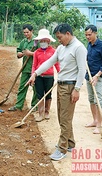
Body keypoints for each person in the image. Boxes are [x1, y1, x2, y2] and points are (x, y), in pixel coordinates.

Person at [26, 23, 87, 161]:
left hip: (70, 87)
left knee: (65, 118)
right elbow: (49, 63)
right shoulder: (61, 48)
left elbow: (82, 70)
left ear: (68, 34)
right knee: (62, 116)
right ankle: (70, 143)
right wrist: (35, 73)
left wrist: (77, 89)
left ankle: (62, 148)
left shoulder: (79, 48)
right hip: (60, 85)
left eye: (60, 37)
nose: (59, 40)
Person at [84, 24, 102, 134]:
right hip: (89, 75)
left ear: (95, 33)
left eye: (89, 35)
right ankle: (95, 120)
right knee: (91, 99)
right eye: (86, 35)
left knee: (98, 99)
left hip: (98, 76)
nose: (87, 37)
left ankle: (99, 125)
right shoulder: (89, 45)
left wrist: (97, 75)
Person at [32, 29, 60, 122]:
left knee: (48, 95)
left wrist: (60, 73)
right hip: (39, 76)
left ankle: (47, 112)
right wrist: (33, 75)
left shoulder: (53, 51)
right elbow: (34, 65)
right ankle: (40, 113)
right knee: (40, 95)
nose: (43, 42)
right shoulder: (37, 52)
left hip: (49, 77)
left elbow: (56, 64)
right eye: (41, 41)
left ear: (48, 41)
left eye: (45, 41)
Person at [8, 24, 38, 111]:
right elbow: (18, 52)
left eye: (27, 32)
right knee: (22, 87)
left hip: (35, 70)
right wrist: (20, 54)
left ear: (32, 31)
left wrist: (31, 53)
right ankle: (18, 106)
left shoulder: (36, 41)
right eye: (24, 32)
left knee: (35, 88)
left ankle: (34, 106)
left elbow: (40, 54)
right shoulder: (23, 42)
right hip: (25, 69)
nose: (25, 34)